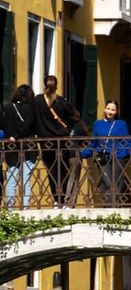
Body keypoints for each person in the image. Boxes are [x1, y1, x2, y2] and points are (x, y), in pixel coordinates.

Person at [80, 100, 131, 205]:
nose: (110, 112)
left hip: (118, 158)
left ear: (116, 112)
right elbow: (93, 143)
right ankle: (109, 210)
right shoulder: (97, 124)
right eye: (108, 109)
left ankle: (114, 210)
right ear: (104, 109)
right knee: (107, 184)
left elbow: (128, 143)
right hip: (103, 158)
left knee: (116, 185)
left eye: (113, 110)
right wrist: (81, 154)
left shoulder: (121, 124)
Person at [33, 75, 86, 207]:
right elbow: (75, 116)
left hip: (45, 143)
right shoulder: (61, 102)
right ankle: (63, 200)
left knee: (51, 172)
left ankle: (56, 200)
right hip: (62, 142)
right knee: (63, 171)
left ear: (44, 85)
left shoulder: (37, 101)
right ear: (56, 86)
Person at [1, 85, 36, 209]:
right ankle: (25, 208)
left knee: (11, 177)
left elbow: (3, 124)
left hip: (11, 147)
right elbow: (28, 126)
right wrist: (17, 135)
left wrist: (13, 135)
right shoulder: (31, 108)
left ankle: (11, 209)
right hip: (28, 146)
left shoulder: (8, 108)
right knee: (25, 178)